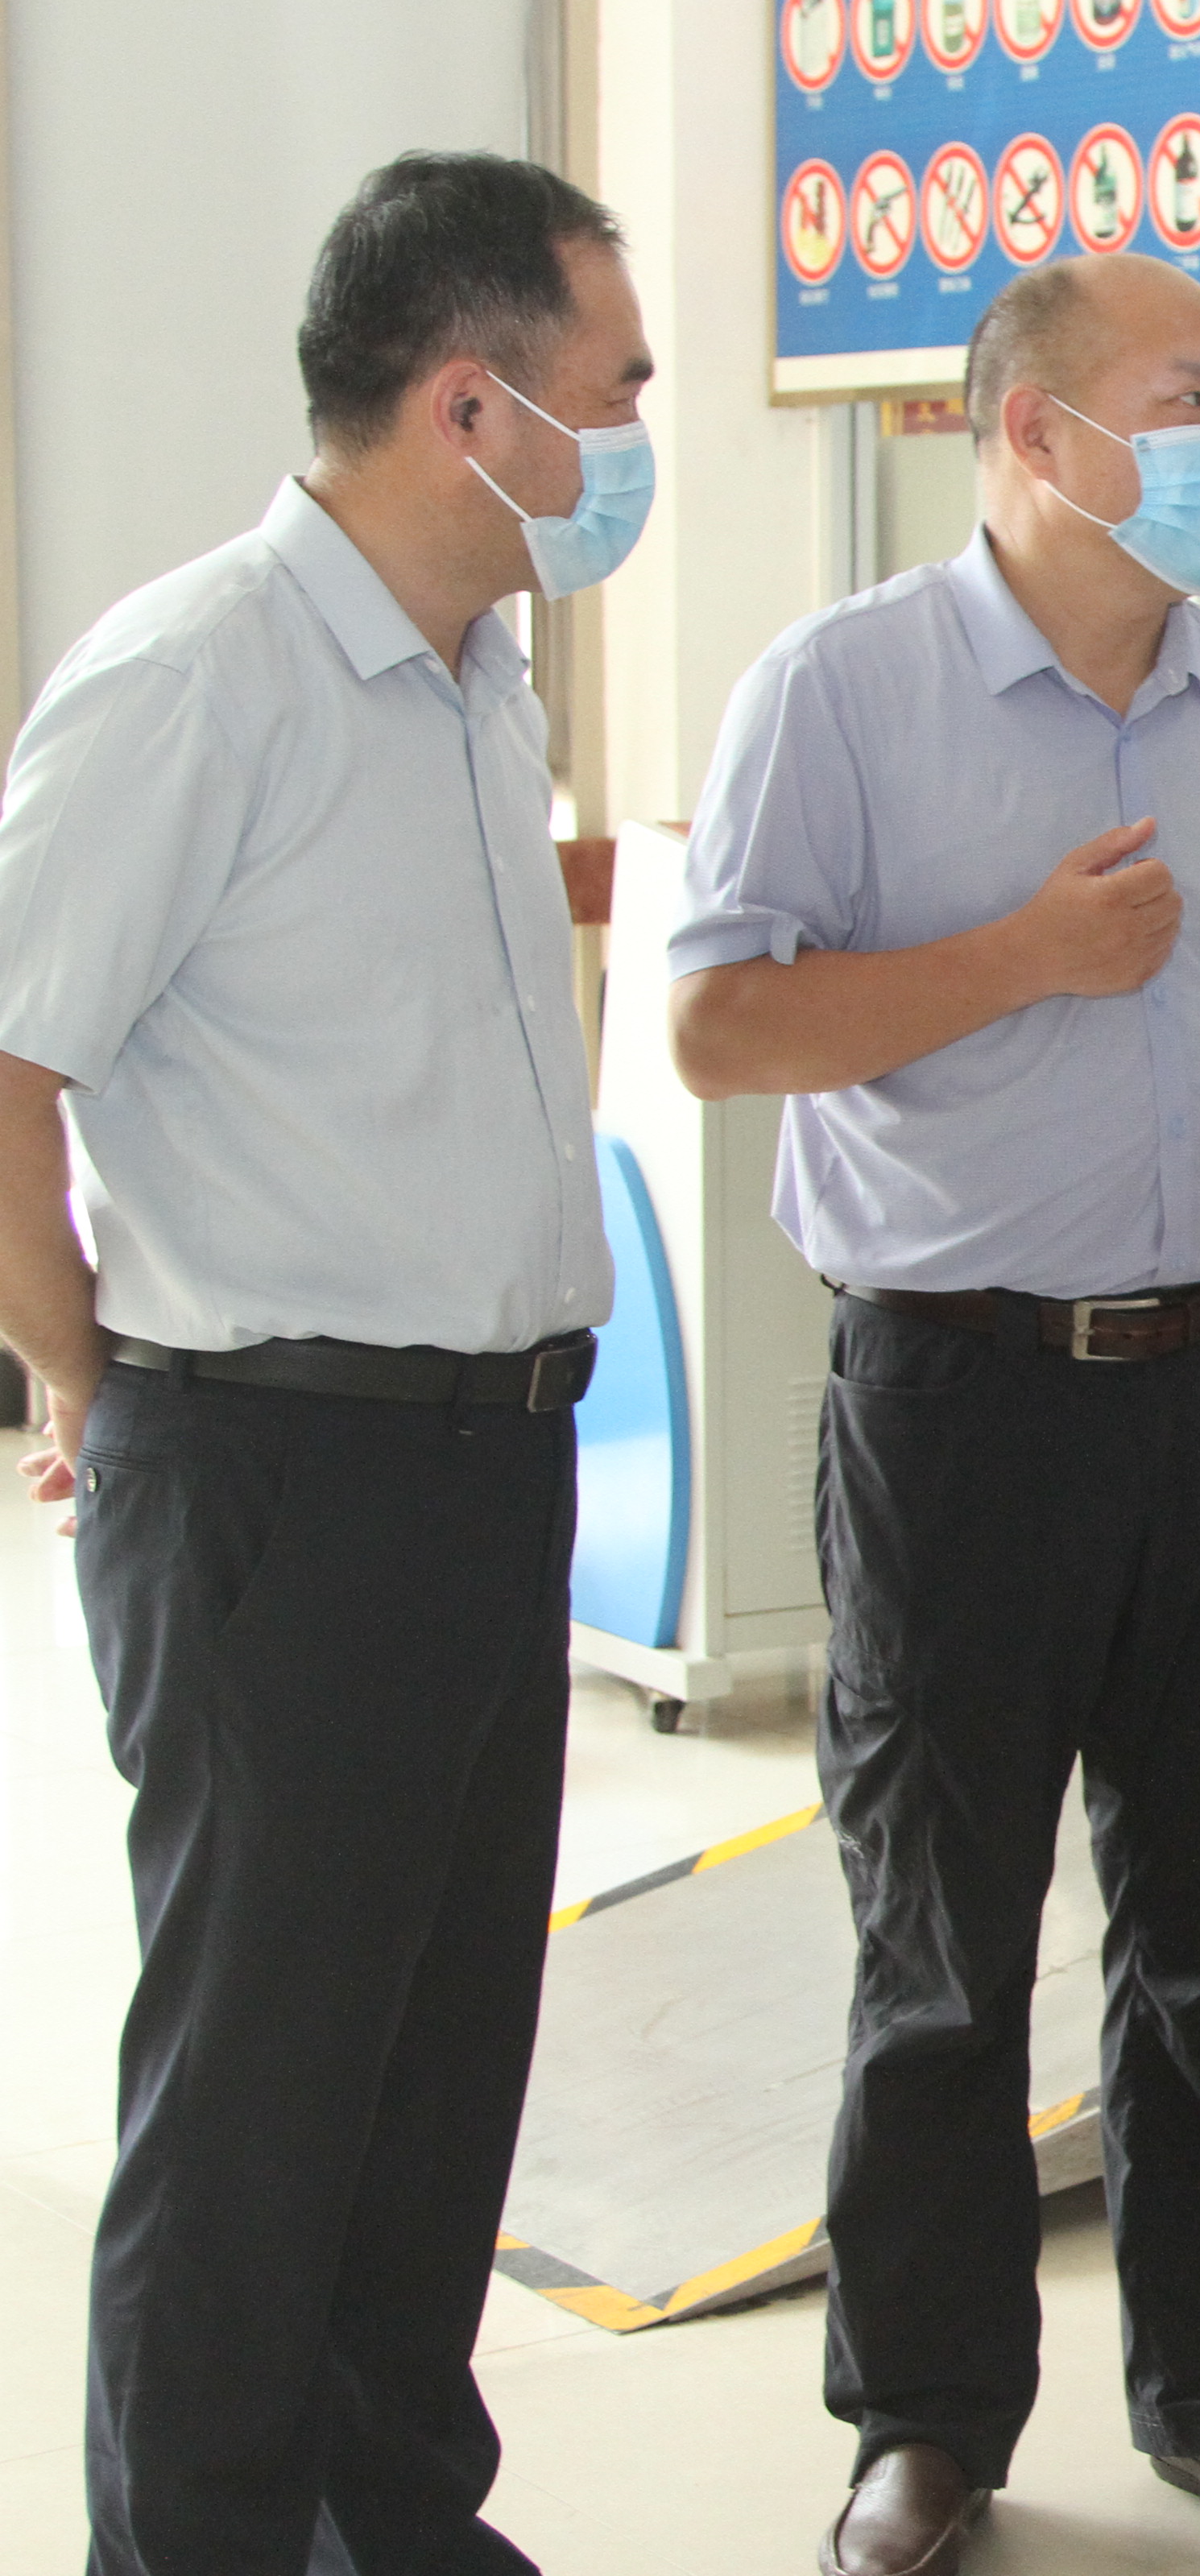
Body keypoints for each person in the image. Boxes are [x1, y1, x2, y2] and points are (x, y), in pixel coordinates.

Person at [669, 255, 1200, 2576]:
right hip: (965, 1397)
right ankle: (928, 2418)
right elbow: (720, 1028)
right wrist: (1019, 961)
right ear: (1036, 432)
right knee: (946, 1943)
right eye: (1187, 397)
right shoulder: (841, 690)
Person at [0, 151, 647, 2576]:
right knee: (258, 2108)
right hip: (279, 1470)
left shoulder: (478, 680)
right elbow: (9, 1063)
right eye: (617, 389)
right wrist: (98, 1379)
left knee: (433, 2074)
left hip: (486, 1465)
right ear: (471, 407)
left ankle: (399, 2529)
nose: (634, 439)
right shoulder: (199, 676)